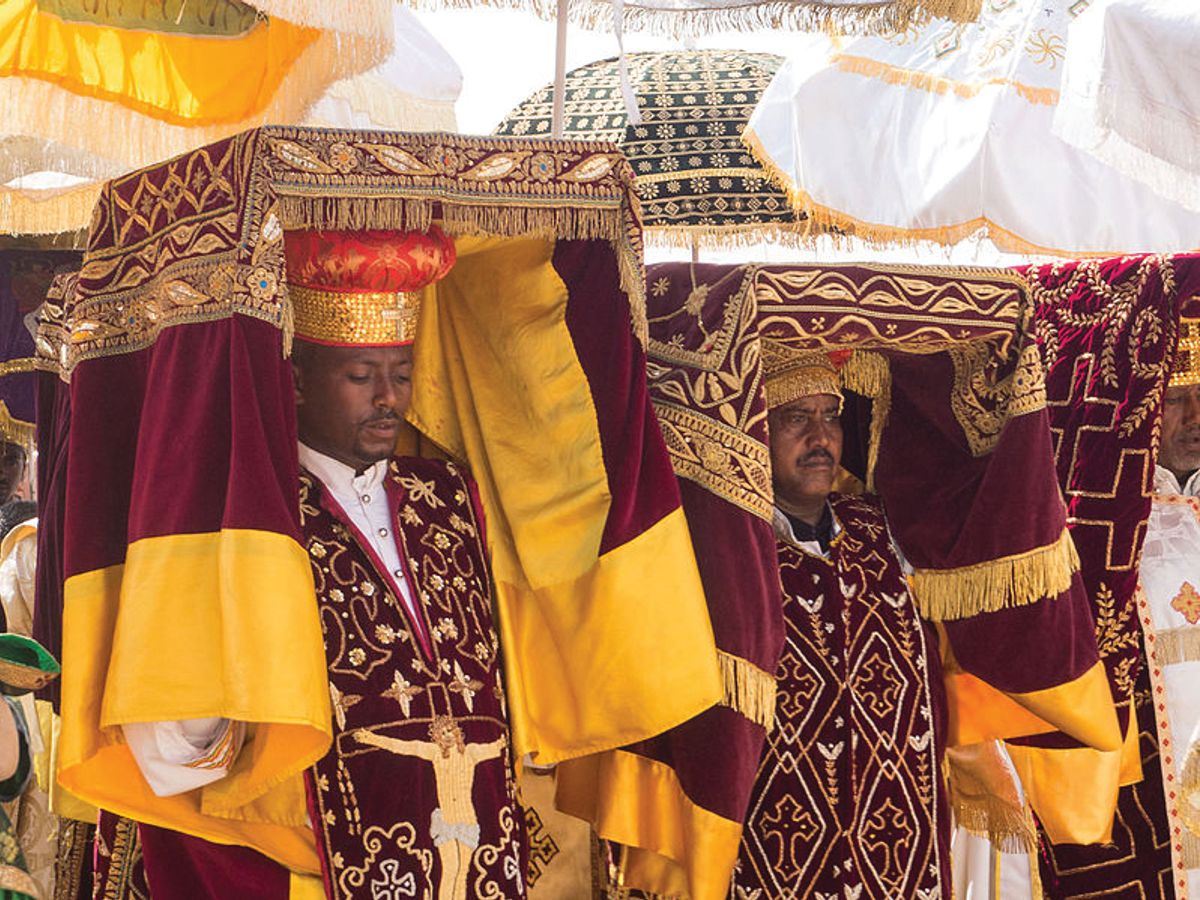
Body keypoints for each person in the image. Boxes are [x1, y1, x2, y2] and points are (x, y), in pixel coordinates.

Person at [123, 228, 527, 899]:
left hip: (477, 830)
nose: (387, 399)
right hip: (322, 849)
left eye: (400, 375)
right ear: (300, 383)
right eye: (361, 376)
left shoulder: (448, 494)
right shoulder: (258, 506)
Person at [730, 351, 951, 899]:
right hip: (771, 842)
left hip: (895, 838)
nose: (821, 436)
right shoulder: (731, 545)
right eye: (796, 418)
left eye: (830, 415)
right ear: (758, 430)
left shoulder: (884, 529)